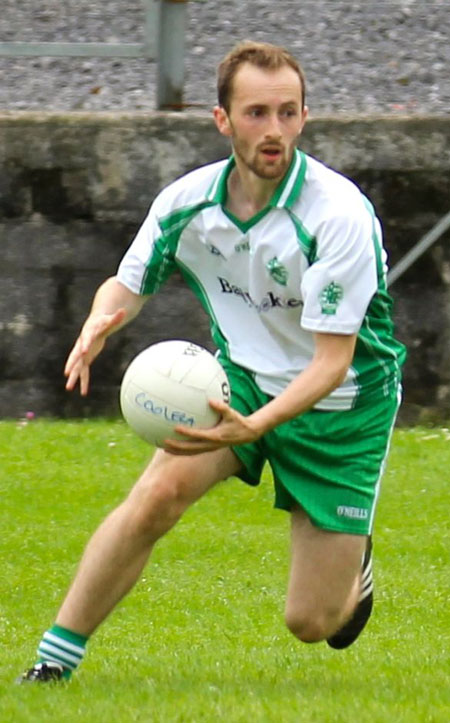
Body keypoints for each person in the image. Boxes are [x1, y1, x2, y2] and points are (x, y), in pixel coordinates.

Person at [18, 40, 406, 684]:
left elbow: (331, 363)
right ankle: (55, 661)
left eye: (287, 112)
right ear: (222, 120)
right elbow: (128, 283)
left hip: (342, 407)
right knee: (156, 496)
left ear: (305, 117)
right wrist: (98, 320)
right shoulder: (188, 203)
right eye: (256, 113)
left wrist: (258, 429)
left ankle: (354, 563)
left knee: (313, 624)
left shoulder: (338, 215)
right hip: (243, 385)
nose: (274, 130)